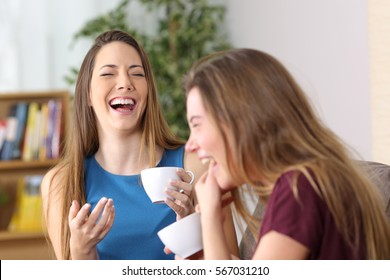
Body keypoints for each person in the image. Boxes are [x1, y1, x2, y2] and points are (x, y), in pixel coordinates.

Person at [40, 30, 238, 260]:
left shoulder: (196, 165)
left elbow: (230, 266)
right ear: (88, 94)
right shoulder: (60, 183)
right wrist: (81, 252)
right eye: (108, 74)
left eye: (136, 73)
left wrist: (191, 234)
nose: (125, 83)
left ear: (148, 92)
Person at [184, 48, 390, 259]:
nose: (190, 145)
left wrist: (209, 216)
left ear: (242, 121)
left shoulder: (299, 189)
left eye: (197, 125)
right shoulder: (306, 179)